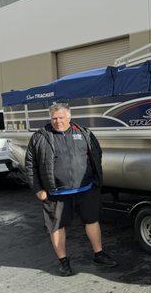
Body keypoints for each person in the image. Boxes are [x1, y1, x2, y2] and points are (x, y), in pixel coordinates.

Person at [25, 102, 117, 276]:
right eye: (54, 118)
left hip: (86, 188)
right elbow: (30, 165)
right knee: (57, 227)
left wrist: (97, 180)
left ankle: (99, 254)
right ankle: (64, 262)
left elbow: (97, 155)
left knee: (92, 221)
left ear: (69, 117)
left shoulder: (83, 133)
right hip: (55, 193)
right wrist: (38, 189)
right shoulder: (40, 137)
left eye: (61, 117)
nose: (57, 121)